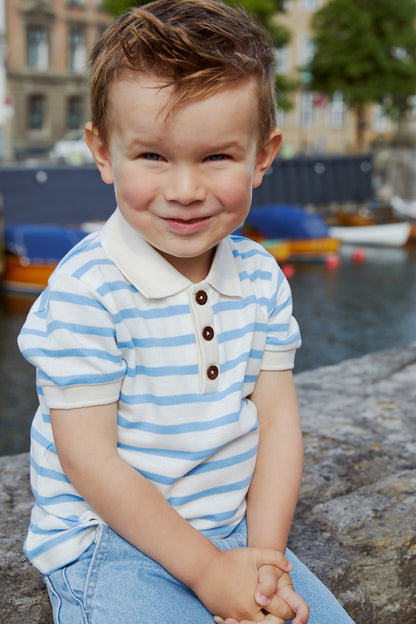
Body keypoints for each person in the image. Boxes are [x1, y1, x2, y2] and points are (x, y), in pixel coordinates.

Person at [18, 2, 356, 623]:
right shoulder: (88, 289)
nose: (184, 190)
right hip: (108, 544)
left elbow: (278, 426)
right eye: (152, 156)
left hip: (231, 527)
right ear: (102, 151)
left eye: (215, 157)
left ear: (262, 156)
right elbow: (88, 460)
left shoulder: (259, 279)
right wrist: (203, 570)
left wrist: (263, 558)